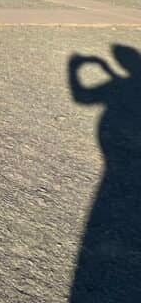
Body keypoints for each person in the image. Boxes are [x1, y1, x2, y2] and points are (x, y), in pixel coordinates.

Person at [68, 45, 141, 302]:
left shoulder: (117, 86)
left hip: (116, 173)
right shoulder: (122, 84)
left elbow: (82, 96)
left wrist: (75, 67)